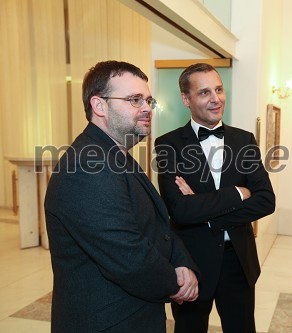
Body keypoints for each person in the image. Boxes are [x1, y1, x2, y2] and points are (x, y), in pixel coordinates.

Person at [44, 60, 199, 333]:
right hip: (108, 320)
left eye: (148, 100)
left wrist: (183, 262)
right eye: (134, 99)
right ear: (99, 106)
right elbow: (127, 256)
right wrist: (176, 283)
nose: (147, 108)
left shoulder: (114, 154)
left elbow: (156, 226)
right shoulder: (87, 165)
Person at [154, 63, 275, 333]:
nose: (215, 98)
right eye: (204, 92)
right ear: (186, 99)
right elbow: (180, 211)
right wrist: (236, 194)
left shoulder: (244, 140)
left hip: (238, 262)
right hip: (193, 262)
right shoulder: (168, 145)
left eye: (219, 90)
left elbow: (266, 200)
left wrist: (206, 212)